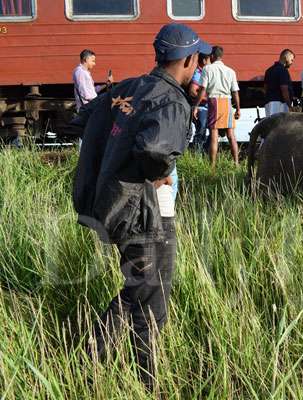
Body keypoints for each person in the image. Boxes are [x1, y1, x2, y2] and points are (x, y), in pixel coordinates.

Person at [72, 23, 211, 390]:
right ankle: (148, 384)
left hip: (115, 207)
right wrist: (158, 173)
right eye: (198, 59)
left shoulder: (128, 87)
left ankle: (90, 364)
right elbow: (154, 149)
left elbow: (83, 119)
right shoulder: (171, 100)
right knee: (152, 302)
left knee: (138, 288)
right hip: (147, 213)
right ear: (189, 59)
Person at [197, 46, 241, 169]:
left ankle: (212, 166)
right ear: (222, 56)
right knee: (231, 135)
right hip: (227, 101)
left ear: (211, 56)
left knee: (214, 135)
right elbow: (235, 92)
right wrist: (238, 108)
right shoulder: (231, 71)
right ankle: (236, 163)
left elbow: (202, 90)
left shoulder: (207, 69)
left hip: (214, 101)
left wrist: (195, 105)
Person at [189, 53, 212, 151]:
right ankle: (197, 155)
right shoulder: (198, 73)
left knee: (212, 132)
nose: (211, 63)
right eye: (209, 60)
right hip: (202, 107)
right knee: (201, 131)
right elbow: (193, 91)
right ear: (204, 61)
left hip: (209, 107)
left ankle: (204, 154)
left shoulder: (206, 72)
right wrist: (206, 98)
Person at [264, 49, 295, 117]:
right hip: (280, 104)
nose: (292, 62)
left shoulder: (268, 71)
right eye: (291, 60)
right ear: (286, 57)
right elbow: (284, 89)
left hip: (268, 103)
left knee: (270, 125)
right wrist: (290, 105)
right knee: (281, 126)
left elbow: (265, 88)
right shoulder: (283, 70)